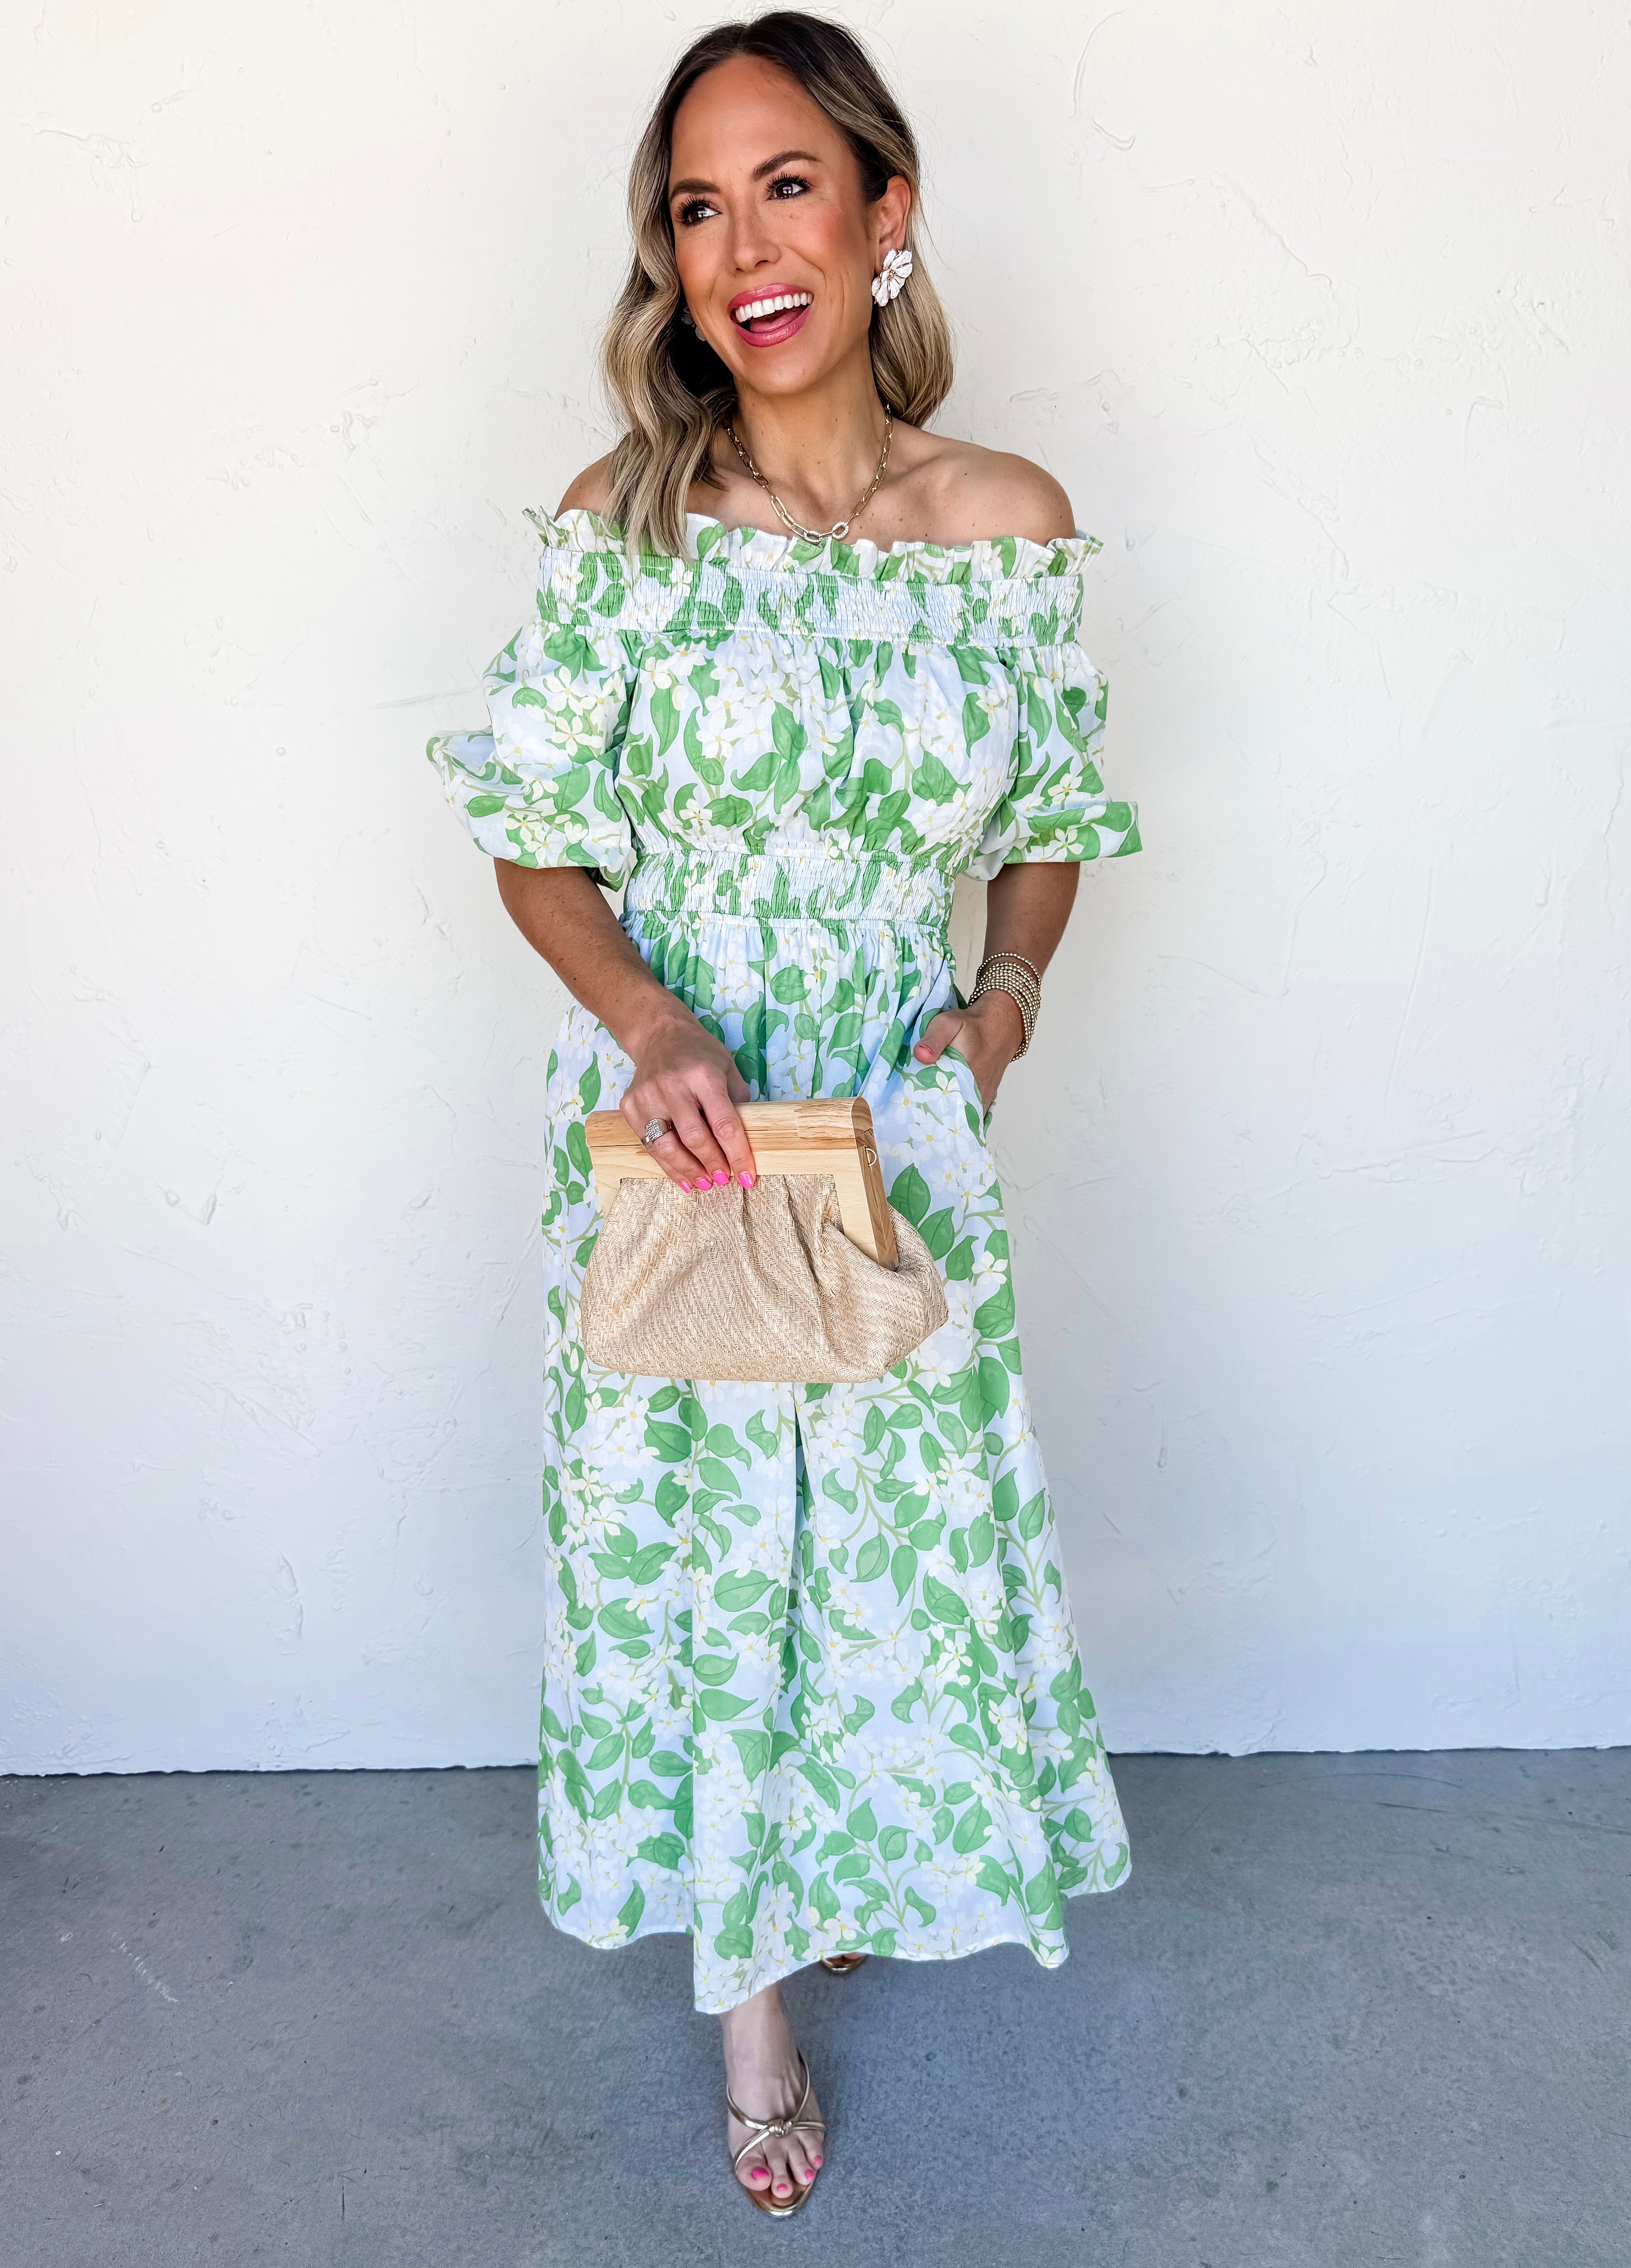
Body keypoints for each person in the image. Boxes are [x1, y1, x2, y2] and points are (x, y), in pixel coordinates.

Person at [429, 10, 1140, 2217]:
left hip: (896, 1120)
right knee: (718, 1557)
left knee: (890, 1541)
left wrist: (1000, 1006)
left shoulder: (1001, 523)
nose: (742, 247)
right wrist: (653, 1021)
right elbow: (536, 840)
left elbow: (1049, 820)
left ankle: (828, 1855)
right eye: (697, 207)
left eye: (788, 186)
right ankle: (749, 2010)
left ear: (886, 214)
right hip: (691, 1121)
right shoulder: (627, 525)